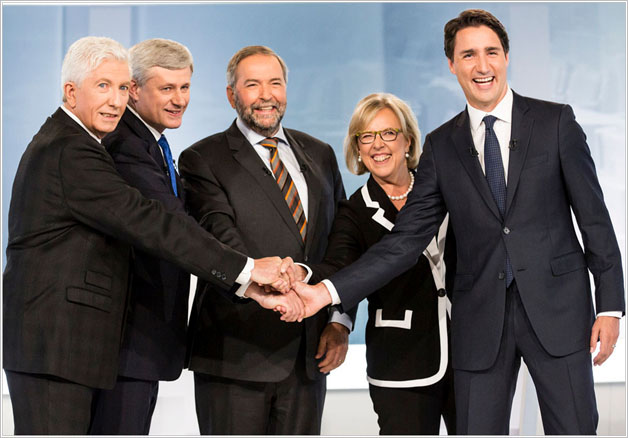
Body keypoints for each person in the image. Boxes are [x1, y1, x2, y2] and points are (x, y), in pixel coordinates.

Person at [294, 9, 625, 435]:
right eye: (468, 55)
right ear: (452, 65)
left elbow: (595, 219)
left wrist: (610, 305)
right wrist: (325, 293)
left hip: (559, 311)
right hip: (478, 322)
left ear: (506, 57)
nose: (481, 65)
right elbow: (404, 240)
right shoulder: (440, 145)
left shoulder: (555, 122)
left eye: (491, 52)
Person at [2, 36, 300, 435]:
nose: (115, 100)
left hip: (70, 349)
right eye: (103, 86)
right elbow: (152, 222)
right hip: (57, 347)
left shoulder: (82, 144)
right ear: (71, 92)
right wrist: (246, 271)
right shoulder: (71, 150)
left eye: (121, 87)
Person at [178, 45, 353, 435]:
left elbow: (343, 243)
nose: (266, 94)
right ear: (231, 95)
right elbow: (218, 235)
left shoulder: (320, 154)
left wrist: (339, 321)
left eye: (275, 83)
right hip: (235, 355)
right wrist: (274, 284)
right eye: (252, 84)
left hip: (309, 357)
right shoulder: (202, 158)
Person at [309, 92, 456, 435]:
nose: (378, 144)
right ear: (357, 149)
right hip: (401, 359)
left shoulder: (444, 187)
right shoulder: (354, 211)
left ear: (408, 140)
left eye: (388, 133)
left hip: (469, 351)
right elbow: (341, 270)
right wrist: (339, 324)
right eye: (366, 136)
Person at [88, 38, 193, 435]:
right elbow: (172, 226)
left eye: (184, 87)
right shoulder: (125, 145)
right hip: (126, 342)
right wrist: (247, 272)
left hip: (143, 344)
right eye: (166, 88)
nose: (179, 99)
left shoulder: (153, 144)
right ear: (134, 89)